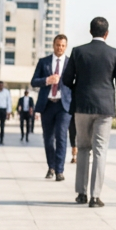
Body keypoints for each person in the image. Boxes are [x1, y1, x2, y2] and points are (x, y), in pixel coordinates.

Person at [62, 17, 116, 208]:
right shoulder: (115, 53)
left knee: (83, 148)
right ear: (107, 33)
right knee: (100, 150)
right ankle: (95, 196)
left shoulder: (78, 51)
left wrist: (79, 88)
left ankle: (81, 193)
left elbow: (66, 79)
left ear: (90, 31)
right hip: (105, 108)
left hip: (82, 106)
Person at [32, 34, 73, 181]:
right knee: (48, 139)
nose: (60, 48)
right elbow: (33, 81)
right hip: (47, 104)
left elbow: (77, 84)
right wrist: (47, 80)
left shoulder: (71, 63)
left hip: (64, 106)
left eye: (63, 45)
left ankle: (59, 171)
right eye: (58, 45)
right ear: (53, 45)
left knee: (61, 137)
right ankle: (51, 167)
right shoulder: (44, 62)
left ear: (66, 47)